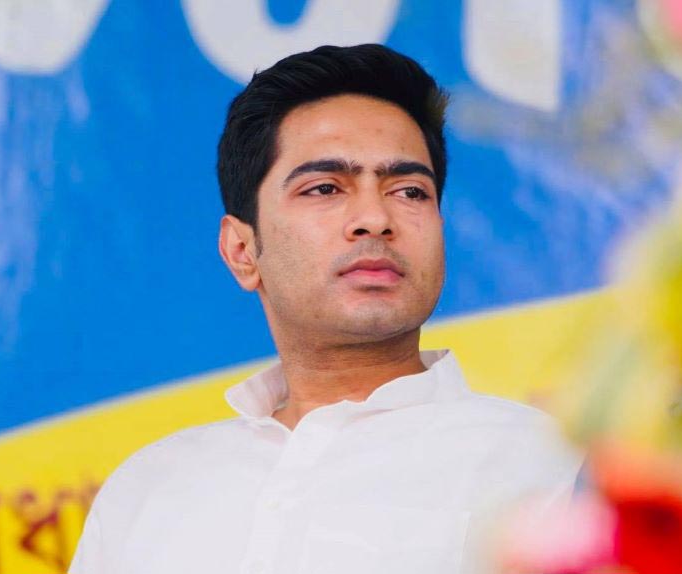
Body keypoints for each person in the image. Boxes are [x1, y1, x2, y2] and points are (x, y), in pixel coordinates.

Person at [68, 44, 582, 574]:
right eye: (325, 188)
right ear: (242, 251)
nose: (374, 218)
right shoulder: (148, 490)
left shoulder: (546, 467)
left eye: (410, 191)